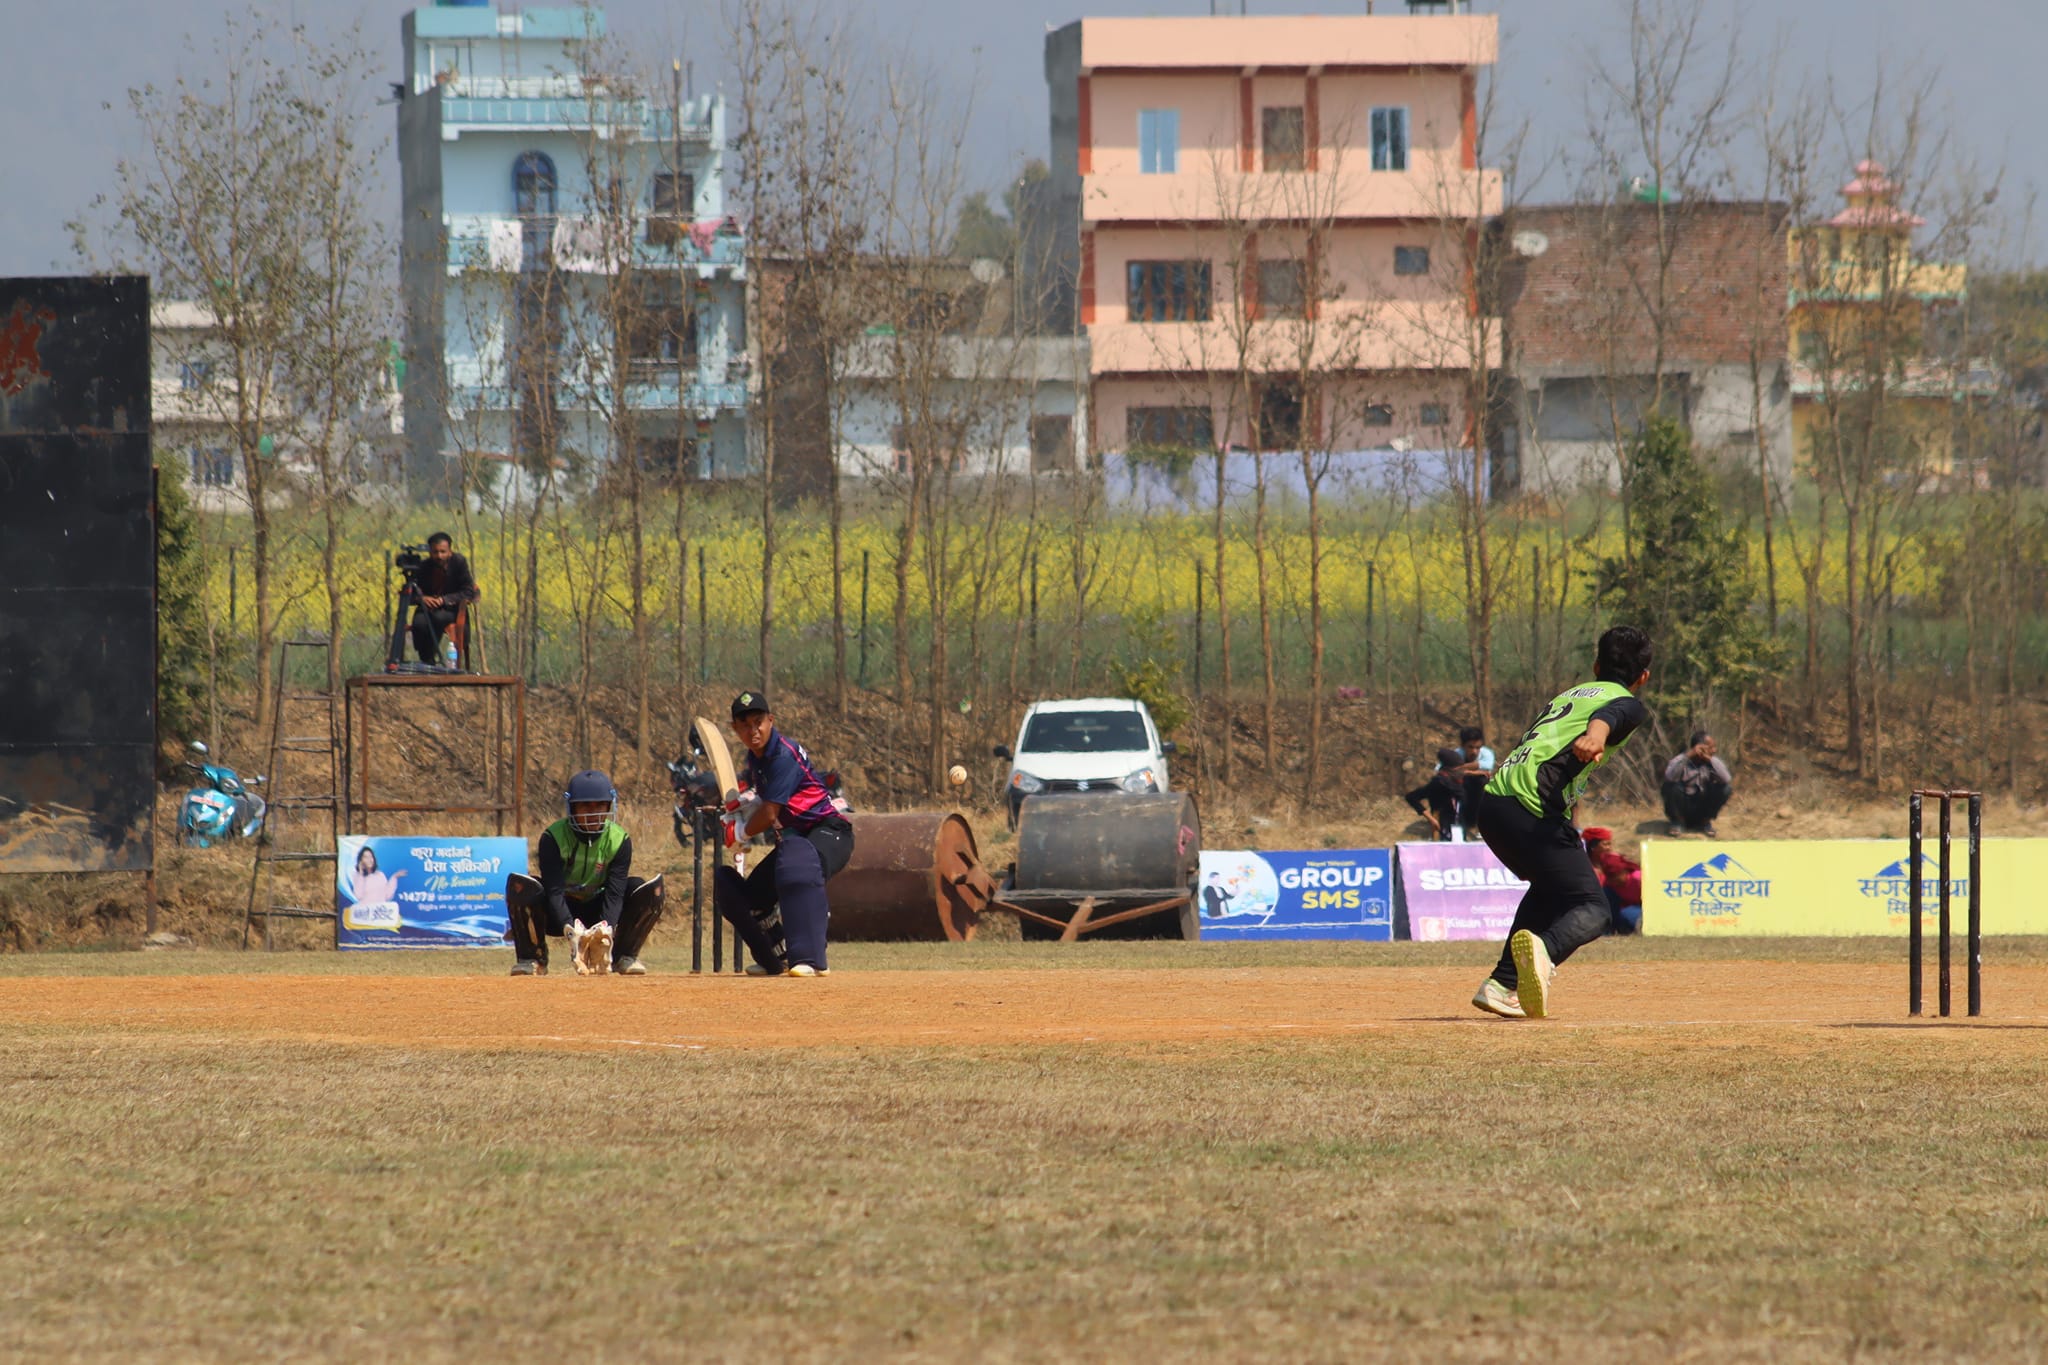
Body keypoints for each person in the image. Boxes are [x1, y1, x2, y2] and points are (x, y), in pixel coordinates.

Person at [1470, 624, 1652, 1020]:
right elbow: (1611, 715)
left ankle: (1501, 985)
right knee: (1594, 908)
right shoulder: (1626, 701)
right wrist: (1596, 737)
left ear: (1596, 666)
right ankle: (1544, 954)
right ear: (1643, 677)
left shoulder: (1569, 694)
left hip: (1494, 805)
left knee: (1551, 888)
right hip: (1531, 807)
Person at [714, 691, 855, 977]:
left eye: (758, 722)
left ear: (771, 720)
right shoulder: (757, 758)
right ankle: (775, 958)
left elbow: (770, 814)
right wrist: (745, 807)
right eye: (745, 725)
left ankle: (811, 958)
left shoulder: (782, 755)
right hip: (798, 841)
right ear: (735, 729)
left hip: (829, 832)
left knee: (798, 861)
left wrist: (740, 832)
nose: (753, 731)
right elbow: (770, 800)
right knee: (745, 896)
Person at [505, 769, 665, 976]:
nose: (593, 813)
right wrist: (571, 930)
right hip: (560, 911)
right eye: (585, 806)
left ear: (609, 807)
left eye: (599, 806)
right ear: (572, 808)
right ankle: (532, 959)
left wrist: (605, 930)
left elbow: (615, 893)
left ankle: (624, 957)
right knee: (523, 886)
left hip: (597, 908)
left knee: (646, 888)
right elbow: (554, 891)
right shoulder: (553, 838)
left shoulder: (619, 840)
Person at [409, 531, 481, 665]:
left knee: (437, 618)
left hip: (451, 609)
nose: (439, 556)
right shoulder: (424, 566)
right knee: (419, 623)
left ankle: (438, 661)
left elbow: (468, 591)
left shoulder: (459, 563)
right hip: (428, 608)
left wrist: (444, 600)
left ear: (450, 551)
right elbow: (411, 593)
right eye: (435, 552)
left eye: (443, 552)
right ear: (430, 552)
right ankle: (427, 660)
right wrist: (423, 598)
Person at [1663, 731, 1733, 836]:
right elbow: (1670, 777)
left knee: (1726, 788)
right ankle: (1678, 822)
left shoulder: (1712, 761)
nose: (1714, 750)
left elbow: (1727, 779)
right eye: (1711, 747)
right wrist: (1688, 756)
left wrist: (1709, 759)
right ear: (1699, 748)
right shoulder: (1680, 759)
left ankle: (1705, 822)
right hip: (1683, 806)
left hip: (1701, 807)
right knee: (1670, 786)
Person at [1581, 826, 1643, 935]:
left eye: (1609, 844)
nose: (1609, 848)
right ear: (1593, 847)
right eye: (1605, 844)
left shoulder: (1616, 863)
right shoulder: (1584, 867)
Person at [1404, 746, 1467, 841]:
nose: (1461, 771)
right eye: (1459, 769)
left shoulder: (1457, 782)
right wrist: (1431, 819)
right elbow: (1411, 797)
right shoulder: (1438, 783)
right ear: (1449, 769)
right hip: (1442, 828)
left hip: (1458, 828)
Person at [1452, 725, 1496, 838]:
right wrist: (1473, 771)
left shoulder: (1487, 753)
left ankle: (1480, 825)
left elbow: (1487, 766)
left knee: (1483, 781)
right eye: (1470, 747)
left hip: (1480, 789)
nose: (1474, 751)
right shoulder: (1456, 754)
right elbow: (1445, 770)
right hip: (1463, 787)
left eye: (1477, 747)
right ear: (1463, 746)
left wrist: (1463, 768)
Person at [346, 844, 404, 910]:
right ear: (361, 861)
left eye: (371, 857)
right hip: (365, 912)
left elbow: (387, 896)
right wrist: (361, 874)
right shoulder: (357, 876)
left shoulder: (380, 875)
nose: (369, 860)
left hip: (380, 912)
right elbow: (358, 895)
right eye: (366, 857)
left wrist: (394, 877)